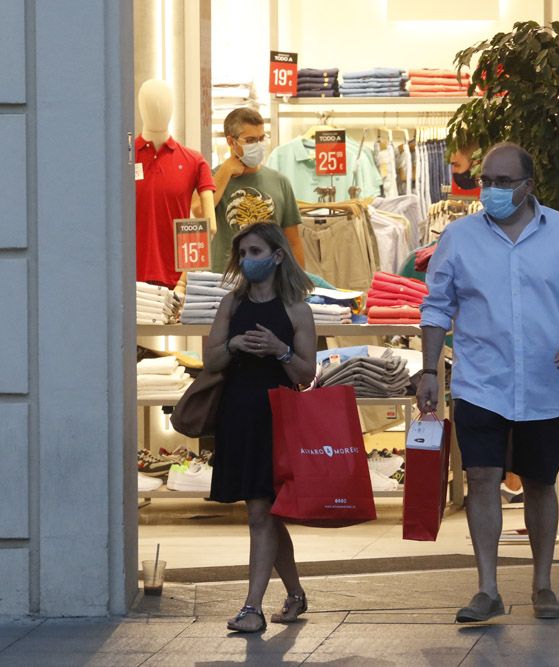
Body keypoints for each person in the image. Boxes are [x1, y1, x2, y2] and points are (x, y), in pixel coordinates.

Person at [417, 142, 559, 622]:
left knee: (541, 483)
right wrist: (426, 370)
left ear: (528, 186)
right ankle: (487, 588)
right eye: (486, 181)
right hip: (481, 379)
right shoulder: (459, 238)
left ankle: (543, 584)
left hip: (547, 380)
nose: (492, 190)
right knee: (482, 478)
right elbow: (436, 306)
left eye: (503, 182)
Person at [203, 221, 317, 632]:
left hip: (278, 420)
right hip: (238, 416)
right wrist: (232, 345)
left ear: (277, 256)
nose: (248, 261)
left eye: (255, 252)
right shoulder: (232, 305)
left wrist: (280, 350)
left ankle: (252, 607)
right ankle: (296, 594)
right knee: (266, 513)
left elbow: (306, 374)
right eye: (243, 254)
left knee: (260, 513)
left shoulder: (296, 310)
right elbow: (210, 360)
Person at [194, 107, 305, 273]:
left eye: (261, 138)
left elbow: (293, 241)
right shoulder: (210, 178)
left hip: (270, 283)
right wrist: (225, 172)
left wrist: (299, 284)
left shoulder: (280, 182)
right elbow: (200, 213)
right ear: (231, 142)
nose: (259, 145)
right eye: (251, 140)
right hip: (223, 283)